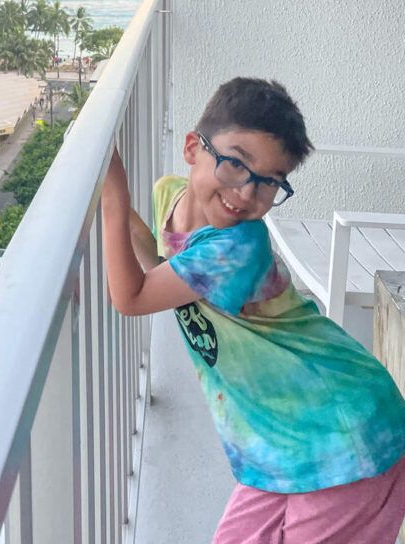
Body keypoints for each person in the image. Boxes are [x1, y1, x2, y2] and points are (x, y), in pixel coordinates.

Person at [101, 77, 405, 544]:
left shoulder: (239, 245)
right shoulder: (171, 195)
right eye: (235, 164)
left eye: (269, 183)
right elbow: (160, 265)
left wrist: (111, 197)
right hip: (278, 443)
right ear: (192, 148)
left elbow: (132, 297)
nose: (246, 193)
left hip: (342, 435)